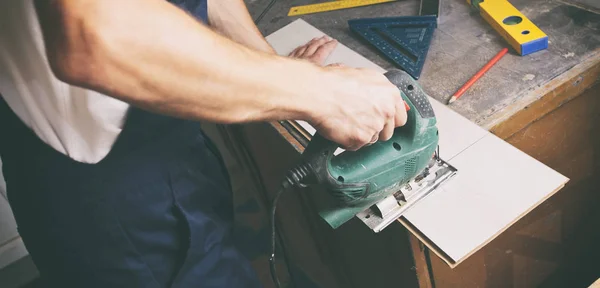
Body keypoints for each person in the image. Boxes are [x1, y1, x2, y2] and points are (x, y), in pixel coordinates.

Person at [0, 0, 408, 287]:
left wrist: (274, 69)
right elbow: (95, 33)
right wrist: (321, 92)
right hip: (110, 198)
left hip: (165, 144)